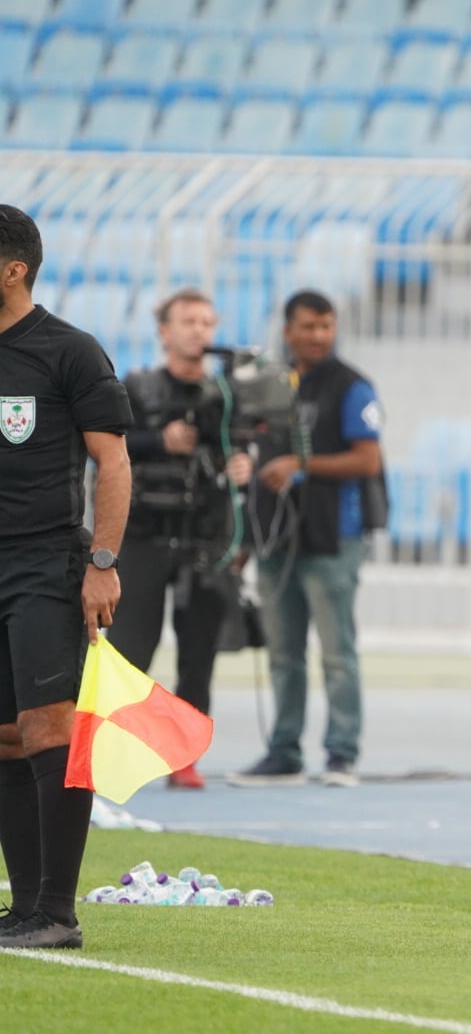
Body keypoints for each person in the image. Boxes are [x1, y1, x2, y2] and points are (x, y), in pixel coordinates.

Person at [0, 205, 132, 950]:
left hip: (45, 560)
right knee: (5, 738)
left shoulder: (68, 351)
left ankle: (57, 911)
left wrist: (102, 565)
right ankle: (23, 910)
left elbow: (112, 462)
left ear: (14, 269)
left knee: (49, 727)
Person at [227, 291, 387, 790]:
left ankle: (342, 754)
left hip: (332, 537)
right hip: (276, 537)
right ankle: (284, 751)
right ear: (288, 330)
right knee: (282, 651)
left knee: (337, 650)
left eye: (326, 325)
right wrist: (247, 543)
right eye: (308, 326)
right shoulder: (269, 385)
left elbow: (368, 460)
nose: (318, 335)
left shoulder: (353, 386)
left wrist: (302, 465)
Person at [106, 290, 252, 790]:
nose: (199, 331)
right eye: (188, 321)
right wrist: (158, 442)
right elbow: (104, 449)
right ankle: (118, 750)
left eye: (208, 322)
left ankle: (184, 757)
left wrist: (242, 466)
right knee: (128, 651)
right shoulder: (137, 387)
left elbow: (246, 446)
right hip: (144, 537)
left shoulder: (227, 395)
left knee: (199, 654)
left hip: (203, 542)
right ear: (164, 331)